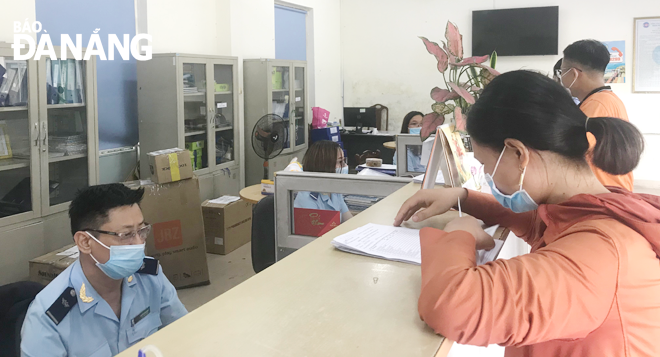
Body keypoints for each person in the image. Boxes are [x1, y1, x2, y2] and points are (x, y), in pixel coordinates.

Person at [394, 70, 659, 356]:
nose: (486, 174)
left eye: (486, 164)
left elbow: (451, 306)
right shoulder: (600, 206)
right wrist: (463, 197)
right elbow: (540, 221)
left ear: (518, 154)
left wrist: (460, 233)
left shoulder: (603, 251)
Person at [21, 184, 187, 357]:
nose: (139, 243)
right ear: (85, 242)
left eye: (142, 231)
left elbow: (183, 332)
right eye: (126, 235)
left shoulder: (149, 277)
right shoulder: (49, 315)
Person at [560, 39, 633, 191]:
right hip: (610, 189)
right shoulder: (607, 99)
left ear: (574, 73)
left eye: (562, 72)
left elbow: (572, 150)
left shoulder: (597, 105)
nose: (561, 78)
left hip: (604, 192)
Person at [294, 140, 353, 222]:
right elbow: (315, 232)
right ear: (324, 165)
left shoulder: (334, 191)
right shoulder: (307, 198)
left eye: (344, 161)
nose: (345, 166)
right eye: (340, 162)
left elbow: (349, 220)